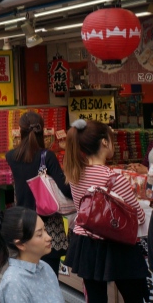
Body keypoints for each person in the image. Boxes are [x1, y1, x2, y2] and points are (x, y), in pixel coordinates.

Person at [63, 119, 148, 303]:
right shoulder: (114, 178)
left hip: (85, 243)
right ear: (104, 142)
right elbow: (138, 217)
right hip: (117, 244)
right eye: (112, 139)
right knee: (134, 296)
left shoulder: (75, 174)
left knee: (96, 298)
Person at [5, 112, 71, 272]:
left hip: (25, 224)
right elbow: (65, 190)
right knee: (49, 276)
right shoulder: (47, 156)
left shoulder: (11, 156)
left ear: (20, 131)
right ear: (42, 131)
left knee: (28, 274)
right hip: (48, 227)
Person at [0, 207, 63, 303]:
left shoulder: (45, 267)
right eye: (39, 234)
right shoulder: (14, 283)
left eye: (45, 230)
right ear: (20, 244)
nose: (49, 237)